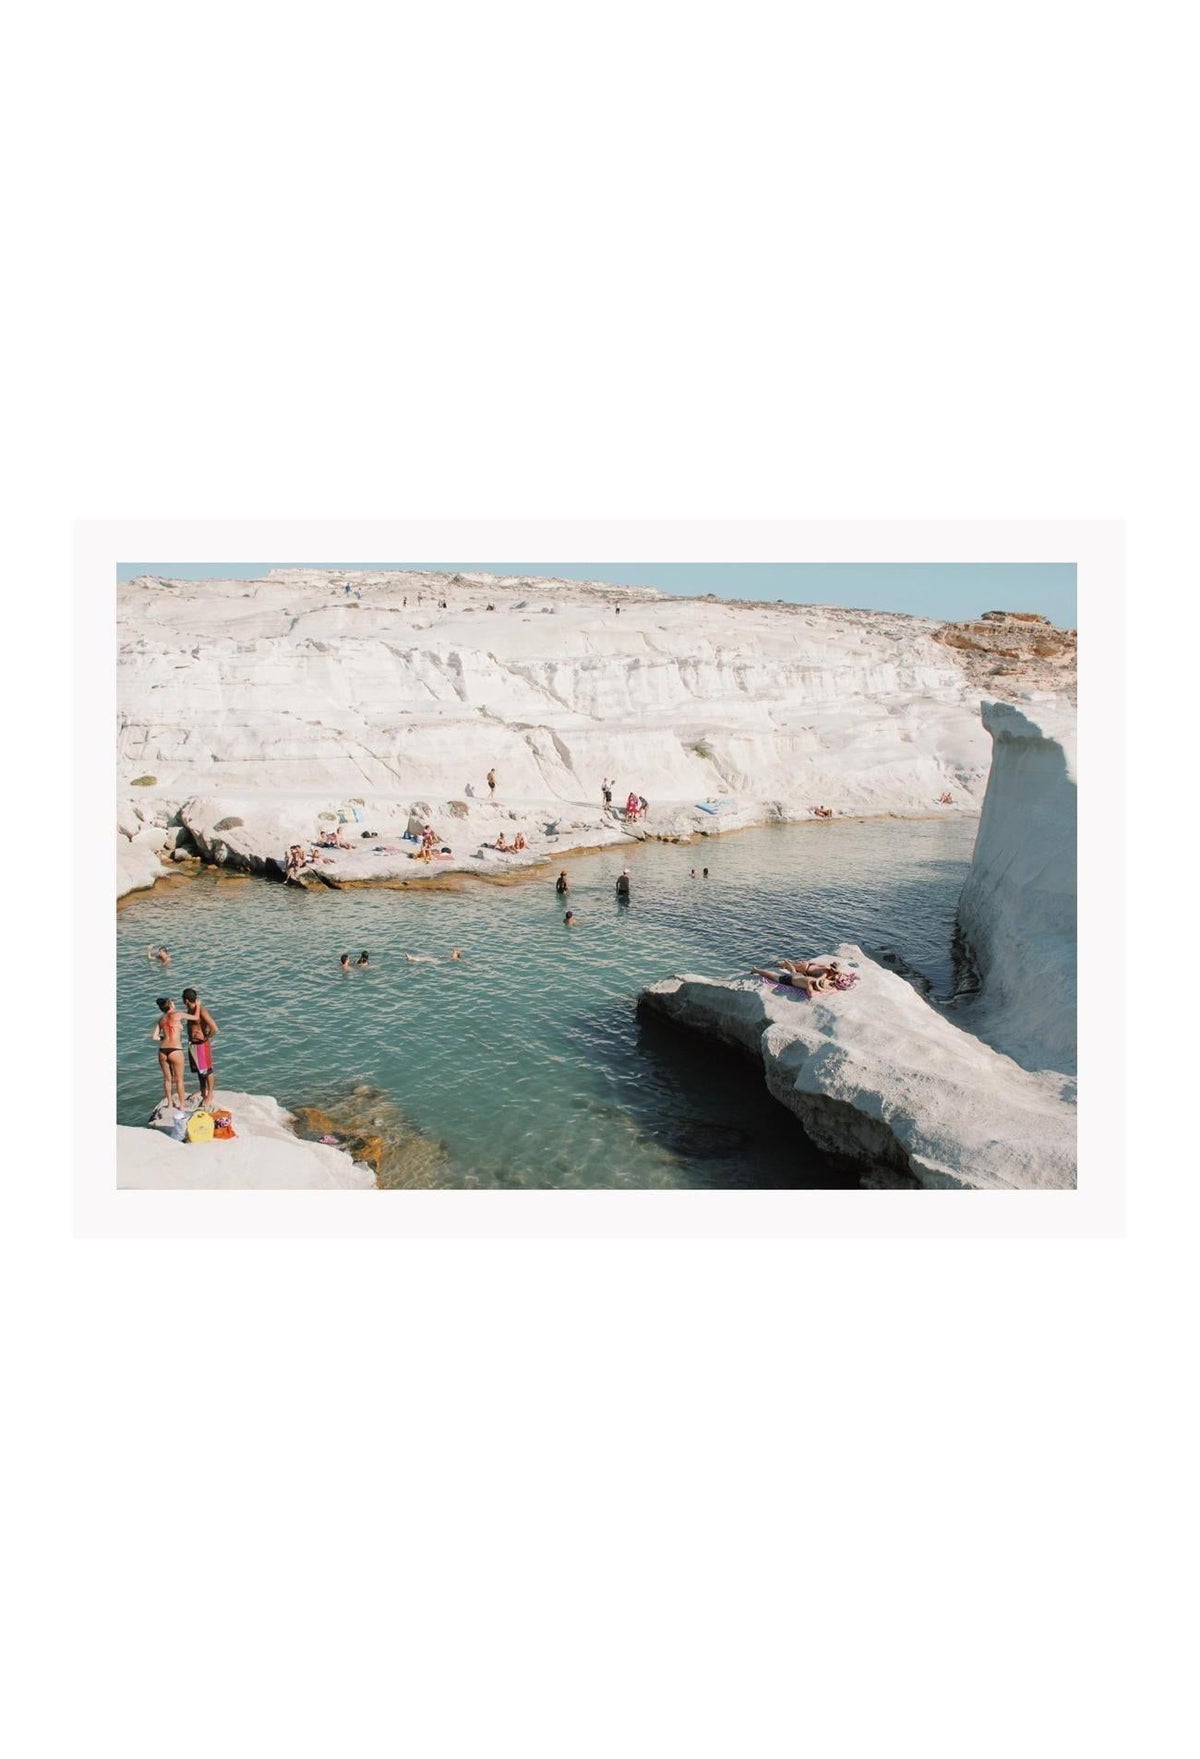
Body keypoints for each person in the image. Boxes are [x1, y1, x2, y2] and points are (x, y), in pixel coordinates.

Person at [182, 986, 218, 1105]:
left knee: (207, 1070)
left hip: (201, 1044)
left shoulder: (201, 1010)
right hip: (193, 1044)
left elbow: (214, 1028)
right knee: (199, 1070)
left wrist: (206, 1037)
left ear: (186, 1000)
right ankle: (203, 1091)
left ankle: (210, 1094)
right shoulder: (191, 1010)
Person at [151, 997, 186, 1110]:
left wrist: (164, 1038)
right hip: (175, 1049)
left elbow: (154, 1037)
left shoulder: (161, 1019)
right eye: (173, 1002)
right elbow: (181, 1027)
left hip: (162, 1050)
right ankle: (182, 1105)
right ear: (170, 1005)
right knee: (179, 1079)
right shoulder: (176, 1016)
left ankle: (170, 1103)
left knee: (167, 1079)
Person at [751, 966, 834, 995]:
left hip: (799, 976)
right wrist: (823, 990)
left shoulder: (814, 979)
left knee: (794, 971)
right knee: (773, 976)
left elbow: (825, 981)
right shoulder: (809, 984)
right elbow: (811, 994)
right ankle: (756, 970)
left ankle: (787, 963)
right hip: (789, 980)